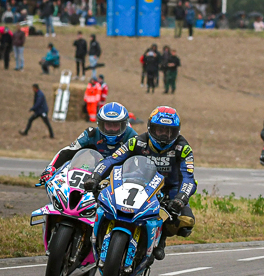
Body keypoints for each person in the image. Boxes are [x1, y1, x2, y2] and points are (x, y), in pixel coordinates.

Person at [84, 106, 196, 261]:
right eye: (160, 130)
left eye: (169, 131)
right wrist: (95, 177)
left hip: (170, 188)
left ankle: (161, 237)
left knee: (186, 222)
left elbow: (189, 178)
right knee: (103, 200)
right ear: (150, 128)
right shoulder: (136, 142)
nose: (164, 135)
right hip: (139, 181)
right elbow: (112, 160)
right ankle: (99, 235)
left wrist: (181, 198)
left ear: (177, 131)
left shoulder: (183, 148)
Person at [38, 102, 138, 184]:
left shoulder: (132, 136)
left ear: (124, 125)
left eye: (115, 125)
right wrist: (50, 169)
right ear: (100, 123)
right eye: (108, 125)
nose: (111, 130)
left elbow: (140, 164)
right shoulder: (91, 133)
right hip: (96, 175)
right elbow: (68, 151)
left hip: (123, 177)